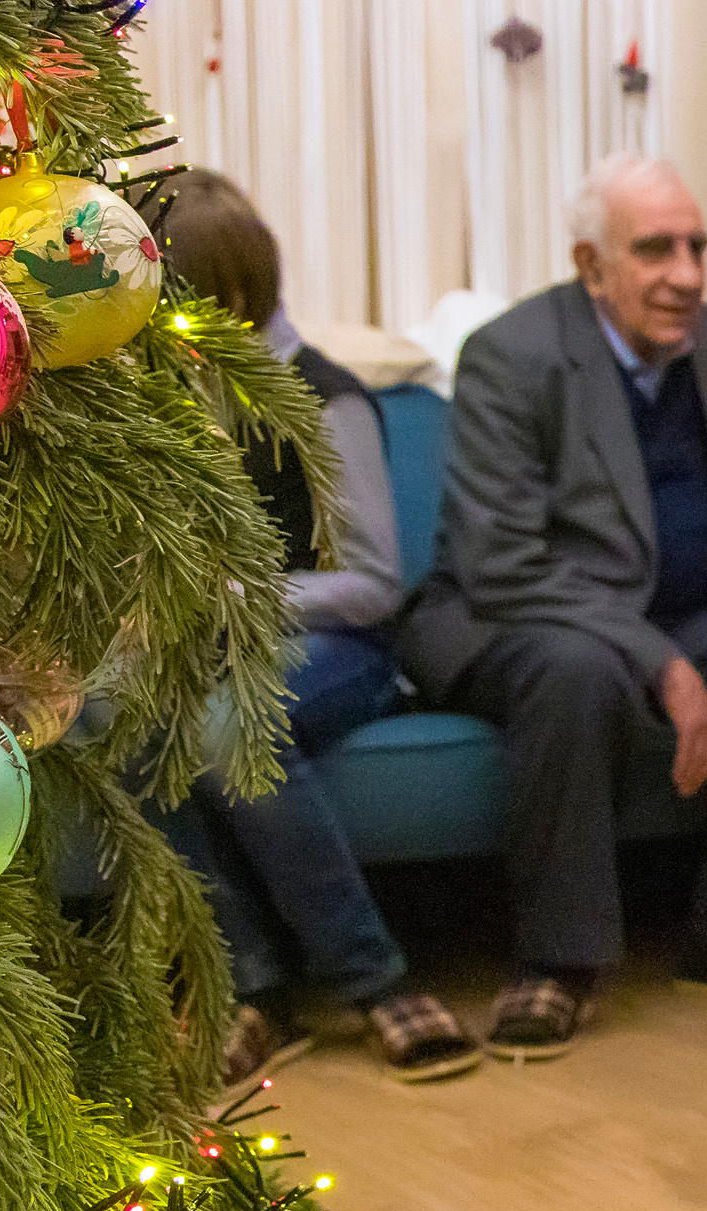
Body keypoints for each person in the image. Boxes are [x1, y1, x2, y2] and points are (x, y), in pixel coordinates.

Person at [399, 155, 707, 1059]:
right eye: (654, 250)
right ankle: (556, 962)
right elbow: (502, 564)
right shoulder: (514, 355)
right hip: (512, 616)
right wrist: (664, 663)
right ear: (591, 265)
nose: (686, 274)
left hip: (678, 617)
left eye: (696, 247)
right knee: (579, 670)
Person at [151, 172, 482, 1089]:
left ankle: (373, 979)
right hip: (206, 650)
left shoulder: (324, 398)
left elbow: (373, 584)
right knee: (126, 719)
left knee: (230, 727)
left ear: (239, 289)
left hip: (342, 647)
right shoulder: (165, 398)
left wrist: (232, 595)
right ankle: (252, 988)